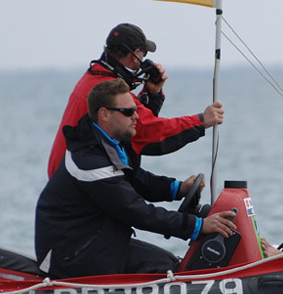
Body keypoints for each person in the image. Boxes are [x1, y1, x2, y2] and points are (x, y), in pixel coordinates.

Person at [36, 78, 238, 279]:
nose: (136, 117)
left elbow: (134, 178)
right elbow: (135, 210)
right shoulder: (89, 161)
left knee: (167, 262)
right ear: (104, 114)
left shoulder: (105, 142)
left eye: (135, 110)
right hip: (69, 255)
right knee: (166, 269)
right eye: (128, 112)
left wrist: (177, 188)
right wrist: (198, 226)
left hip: (92, 239)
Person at [46, 23, 225, 179]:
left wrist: (151, 94)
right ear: (136, 55)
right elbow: (148, 133)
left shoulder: (93, 77)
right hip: (77, 182)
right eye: (143, 55)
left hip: (67, 176)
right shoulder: (105, 85)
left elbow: (130, 124)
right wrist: (201, 121)